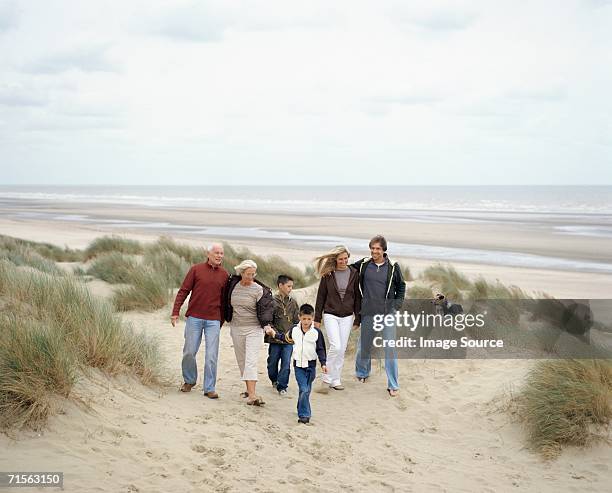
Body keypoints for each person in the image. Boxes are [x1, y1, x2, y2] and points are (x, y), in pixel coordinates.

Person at [171, 243, 229, 398]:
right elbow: (184, 291)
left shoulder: (224, 275)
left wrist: (221, 320)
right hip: (194, 318)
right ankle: (189, 380)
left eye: (222, 253)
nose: (219, 256)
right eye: (216, 253)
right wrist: (175, 312)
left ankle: (209, 388)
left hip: (213, 321)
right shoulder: (196, 269)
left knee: (211, 355)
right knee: (189, 352)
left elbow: (225, 301)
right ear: (208, 254)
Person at [352, 235, 406, 397]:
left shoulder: (393, 267)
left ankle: (393, 384)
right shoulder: (363, 265)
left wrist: (396, 305)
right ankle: (362, 373)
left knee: (390, 349)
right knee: (364, 345)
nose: (374, 251)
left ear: (384, 250)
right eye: (373, 248)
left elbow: (401, 286)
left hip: (387, 313)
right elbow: (345, 268)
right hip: (368, 312)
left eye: (378, 249)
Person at [265, 304, 327, 424]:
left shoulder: (317, 333)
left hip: (311, 366)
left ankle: (301, 407)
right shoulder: (294, 330)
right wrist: (273, 334)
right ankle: (304, 415)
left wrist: (323, 363)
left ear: (313, 318)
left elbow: (321, 349)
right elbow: (285, 338)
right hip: (298, 365)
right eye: (304, 318)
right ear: (299, 317)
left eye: (309, 319)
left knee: (306, 390)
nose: (306, 321)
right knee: (303, 389)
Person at [224, 259, 274, 406]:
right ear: (241, 273)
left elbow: (265, 310)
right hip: (236, 328)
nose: (251, 277)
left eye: (253, 274)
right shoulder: (233, 286)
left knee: (250, 361)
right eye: (248, 274)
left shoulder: (258, 289)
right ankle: (249, 389)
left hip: (254, 329)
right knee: (242, 361)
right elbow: (225, 303)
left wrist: (267, 327)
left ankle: (252, 395)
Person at [313, 246, 361, 391]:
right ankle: (326, 378)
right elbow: (321, 296)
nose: (344, 261)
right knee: (336, 346)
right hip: (330, 314)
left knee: (342, 349)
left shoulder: (354, 273)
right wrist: (317, 317)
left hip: (347, 316)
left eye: (346, 258)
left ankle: (336, 379)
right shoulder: (328, 274)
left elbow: (357, 297)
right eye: (341, 259)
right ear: (335, 260)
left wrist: (357, 318)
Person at [266, 275, 299, 396]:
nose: (291, 289)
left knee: (286, 364)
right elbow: (268, 320)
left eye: (292, 286)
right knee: (272, 363)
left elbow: (297, 321)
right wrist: (275, 333)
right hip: (274, 339)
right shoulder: (272, 301)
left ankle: (282, 386)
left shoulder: (293, 303)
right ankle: (274, 380)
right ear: (280, 285)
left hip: (288, 340)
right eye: (288, 286)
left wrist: (293, 333)